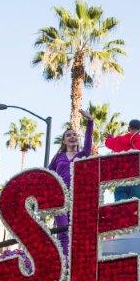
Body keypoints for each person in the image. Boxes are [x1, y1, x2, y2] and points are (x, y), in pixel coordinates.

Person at [48, 108, 94, 255]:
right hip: (60, 198)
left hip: (78, 198)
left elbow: (88, 144)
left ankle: (75, 258)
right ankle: (66, 260)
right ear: (64, 140)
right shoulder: (58, 157)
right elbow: (48, 174)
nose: (72, 137)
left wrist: (90, 121)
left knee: (76, 230)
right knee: (63, 230)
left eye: (74, 135)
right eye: (68, 135)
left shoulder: (83, 154)